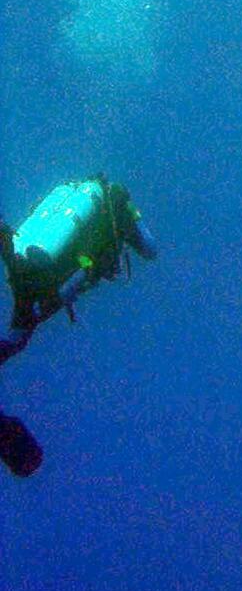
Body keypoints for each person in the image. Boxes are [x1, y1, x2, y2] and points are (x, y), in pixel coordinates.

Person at [0, 174, 157, 477]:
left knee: (20, 327)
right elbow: (150, 250)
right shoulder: (113, 214)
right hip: (41, 287)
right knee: (20, 330)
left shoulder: (85, 218)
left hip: (34, 279)